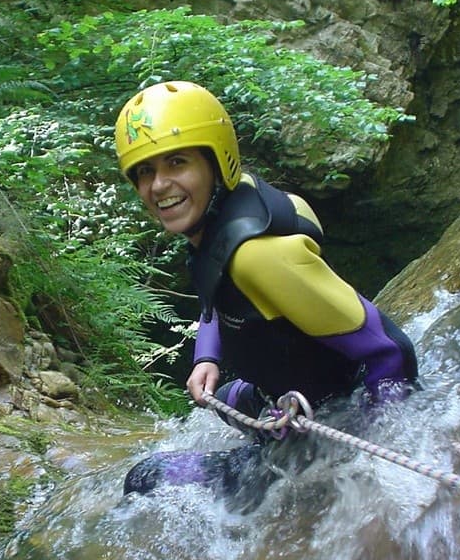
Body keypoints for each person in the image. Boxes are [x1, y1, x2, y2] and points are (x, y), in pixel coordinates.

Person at [115, 81, 419, 504]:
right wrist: (207, 357)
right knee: (222, 398)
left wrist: (373, 446)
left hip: (325, 419)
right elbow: (218, 294)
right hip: (277, 396)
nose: (159, 185)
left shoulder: (258, 256)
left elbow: (391, 351)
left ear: (216, 161)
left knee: (145, 478)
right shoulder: (219, 217)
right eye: (145, 171)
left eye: (177, 162)